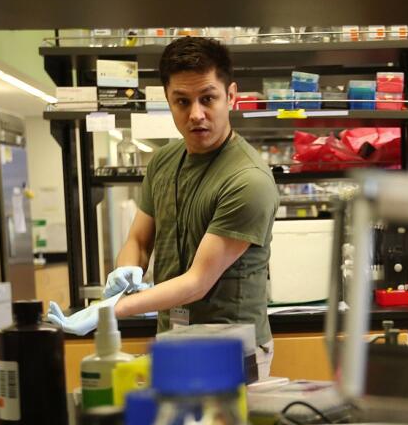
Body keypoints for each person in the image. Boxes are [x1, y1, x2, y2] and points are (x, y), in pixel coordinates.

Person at [48, 36, 278, 377]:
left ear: (230, 96)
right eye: (182, 101)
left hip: (232, 348)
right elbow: (139, 241)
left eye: (208, 99)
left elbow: (198, 282)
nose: (196, 114)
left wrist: (112, 309)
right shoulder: (164, 162)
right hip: (172, 340)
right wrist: (126, 272)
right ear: (168, 101)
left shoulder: (248, 179)